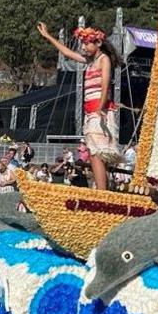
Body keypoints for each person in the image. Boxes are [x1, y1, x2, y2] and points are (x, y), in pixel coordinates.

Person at [38, 22, 122, 190]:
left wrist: (100, 107)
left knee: (96, 153)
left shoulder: (103, 59)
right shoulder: (90, 61)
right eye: (82, 43)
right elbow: (67, 52)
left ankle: (101, 192)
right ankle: (102, 189)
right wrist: (48, 36)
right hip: (92, 110)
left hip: (99, 110)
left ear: (98, 43)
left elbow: (105, 84)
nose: (83, 47)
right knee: (96, 153)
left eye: (87, 43)